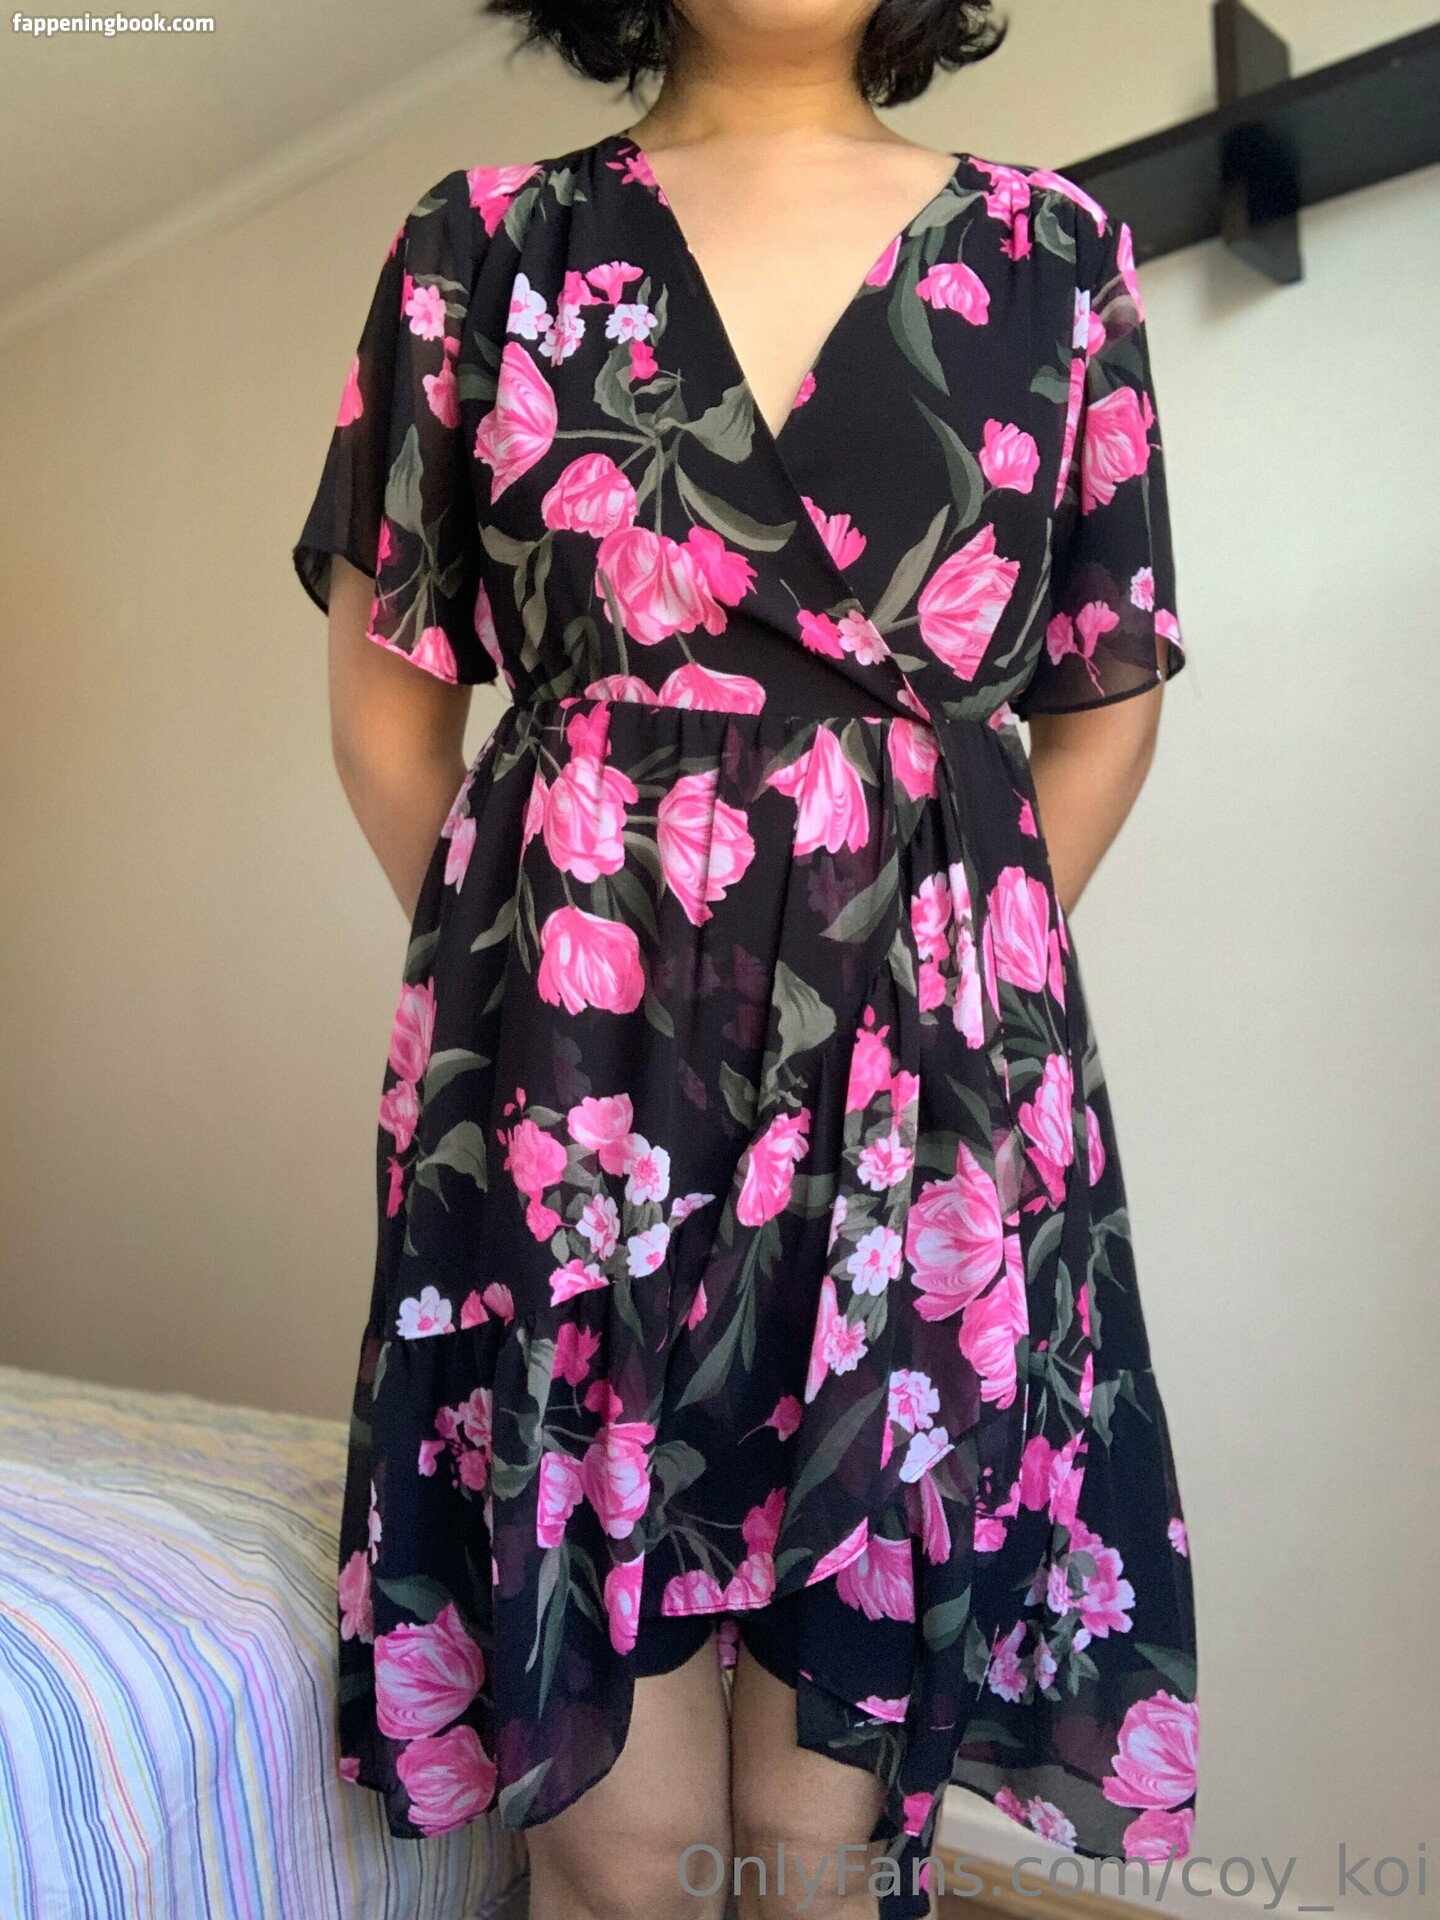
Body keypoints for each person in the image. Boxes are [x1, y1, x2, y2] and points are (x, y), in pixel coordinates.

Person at [290, 3, 1200, 1915]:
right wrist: (542, 974)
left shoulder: (1056, 252)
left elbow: (1104, 695)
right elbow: (389, 711)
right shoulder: (482, 244)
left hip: (916, 1103)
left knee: (817, 1844)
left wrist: (946, 976)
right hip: (573, 1095)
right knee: (614, 1855)